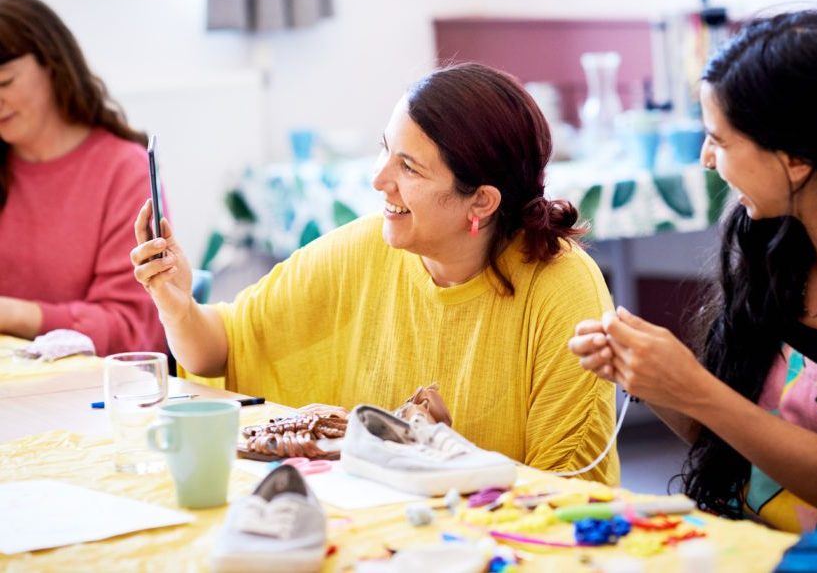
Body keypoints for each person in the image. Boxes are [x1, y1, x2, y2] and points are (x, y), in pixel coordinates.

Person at [570, 10, 817, 565]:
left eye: (719, 139)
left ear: (796, 157)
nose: (707, 159)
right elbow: (741, 440)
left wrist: (695, 388)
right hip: (758, 544)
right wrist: (650, 373)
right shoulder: (779, 237)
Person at [131, 62, 619, 484]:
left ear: (482, 201)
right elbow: (219, 346)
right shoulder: (362, 249)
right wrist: (174, 300)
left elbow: (566, 487)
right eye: (384, 150)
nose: (378, 179)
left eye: (408, 167)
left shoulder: (560, 286)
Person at [0, 0, 166, 356]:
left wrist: (12, 314)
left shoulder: (123, 170)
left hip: (91, 392)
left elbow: (129, 330)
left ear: (52, 64)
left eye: (4, 83)